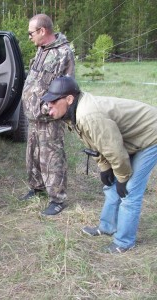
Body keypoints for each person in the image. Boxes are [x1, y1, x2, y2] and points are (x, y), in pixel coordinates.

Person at [42, 75, 157, 253]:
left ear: (69, 99)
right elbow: (95, 143)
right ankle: (107, 226)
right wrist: (104, 168)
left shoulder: (88, 115)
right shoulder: (74, 110)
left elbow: (115, 151)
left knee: (130, 190)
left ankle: (125, 241)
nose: (48, 106)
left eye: (53, 102)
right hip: (130, 138)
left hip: (150, 135)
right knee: (111, 186)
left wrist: (123, 177)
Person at [19, 13, 75, 216]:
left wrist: (47, 109)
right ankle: (37, 188)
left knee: (52, 157)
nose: (29, 37)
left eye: (31, 33)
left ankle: (57, 199)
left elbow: (66, 87)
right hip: (33, 116)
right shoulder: (41, 51)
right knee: (33, 155)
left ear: (42, 31)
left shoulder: (63, 53)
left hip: (49, 116)